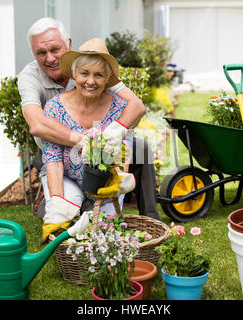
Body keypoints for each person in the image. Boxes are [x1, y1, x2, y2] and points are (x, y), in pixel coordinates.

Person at [17, 17, 161, 221]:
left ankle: (151, 219)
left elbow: (136, 105)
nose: (50, 58)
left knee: (142, 150)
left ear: (68, 44)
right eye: (41, 52)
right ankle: (62, 206)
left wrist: (116, 132)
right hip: (54, 147)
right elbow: (37, 124)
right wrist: (85, 141)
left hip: (103, 150)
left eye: (55, 50)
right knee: (67, 201)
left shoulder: (92, 63)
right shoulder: (30, 78)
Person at [39, 38, 137, 243]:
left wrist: (117, 180)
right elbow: (53, 157)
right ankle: (66, 206)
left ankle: (89, 210)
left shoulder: (120, 106)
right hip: (66, 175)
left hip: (104, 180)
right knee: (64, 214)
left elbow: (122, 151)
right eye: (84, 73)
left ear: (108, 78)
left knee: (107, 232)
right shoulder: (54, 107)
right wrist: (57, 203)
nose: (90, 81)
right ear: (74, 74)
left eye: (98, 75)